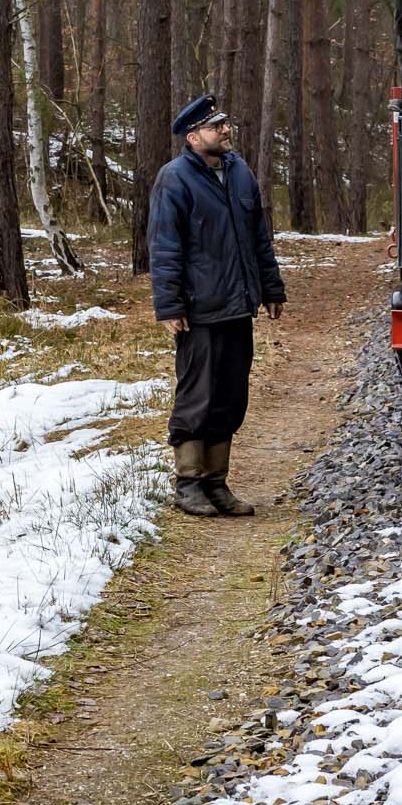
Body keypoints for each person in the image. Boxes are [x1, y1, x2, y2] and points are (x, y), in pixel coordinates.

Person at [146, 95, 286, 517]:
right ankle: (188, 484)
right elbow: (164, 246)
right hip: (199, 310)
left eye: (224, 124)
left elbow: (258, 237)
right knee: (197, 397)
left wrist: (271, 288)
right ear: (193, 137)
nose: (225, 131)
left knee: (230, 395)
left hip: (238, 307)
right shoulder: (174, 179)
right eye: (215, 126)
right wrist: (169, 305)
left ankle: (216, 483)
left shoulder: (239, 173)